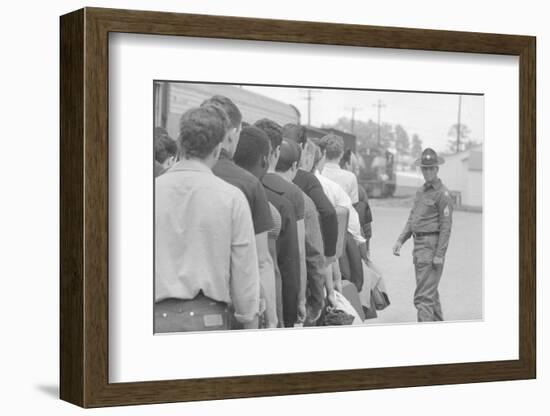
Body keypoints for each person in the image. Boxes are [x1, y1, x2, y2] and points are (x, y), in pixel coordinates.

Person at [155, 106, 260, 332]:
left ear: (180, 142)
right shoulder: (232, 198)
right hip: (209, 320)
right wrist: (249, 319)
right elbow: (245, 273)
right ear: (217, 147)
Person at [201, 96, 276, 328]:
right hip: (229, 310)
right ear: (233, 133)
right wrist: (269, 318)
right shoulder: (249, 185)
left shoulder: (161, 180)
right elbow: (260, 261)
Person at [392, 148, 453, 322]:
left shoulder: (443, 194)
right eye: (424, 168)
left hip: (431, 247)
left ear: (437, 169)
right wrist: (401, 240)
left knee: (423, 298)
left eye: (430, 168)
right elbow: (413, 218)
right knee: (430, 295)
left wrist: (439, 254)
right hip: (419, 247)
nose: (427, 172)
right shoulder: (421, 191)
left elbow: (446, 227)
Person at [254, 119, 301, 327]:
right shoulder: (291, 197)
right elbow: (292, 260)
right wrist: (295, 305)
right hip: (270, 301)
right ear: (275, 152)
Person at [282, 124, 338, 265]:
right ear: (302, 147)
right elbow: (329, 212)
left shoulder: (263, 175)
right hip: (301, 253)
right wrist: (330, 254)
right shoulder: (307, 179)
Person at [320, 134, 359, 204]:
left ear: (322, 153)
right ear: (341, 154)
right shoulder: (351, 177)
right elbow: (354, 205)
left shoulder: (315, 175)